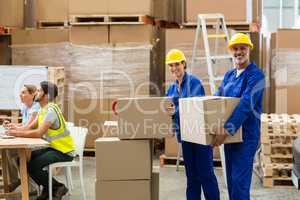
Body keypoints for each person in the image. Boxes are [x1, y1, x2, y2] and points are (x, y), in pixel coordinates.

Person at [213, 33, 265, 200]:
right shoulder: (229, 75)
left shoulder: (256, 76)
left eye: (243, 48)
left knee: (239, 182)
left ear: (249, 50)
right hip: (230, 137)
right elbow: (217, 99)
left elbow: (246, 104)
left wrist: (226, 129)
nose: (239, 52)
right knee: (231, 181)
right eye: (235, 49)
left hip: (246, 136)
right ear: (231, 52)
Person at [165, 49, 220, 200]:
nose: (174, 68)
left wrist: (176, 111)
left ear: (183, 64)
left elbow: (196, 108)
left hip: (200, 137)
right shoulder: (171, 89)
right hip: (185, 137)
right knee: (192, 177)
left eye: (177, 64)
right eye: (171, 65)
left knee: (206, 175)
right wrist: (168, 112)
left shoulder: (194, 82)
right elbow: (166, 109)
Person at [7, 81, 75, 200]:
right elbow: (29, 127)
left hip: (64, 151)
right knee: (21, 160)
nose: (36, 93)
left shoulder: (51, 111)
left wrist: (16, 133)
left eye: (39, 91)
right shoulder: (42, 110)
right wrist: (14, 129)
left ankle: (57, 187)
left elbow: (38, 133)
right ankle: (48, 188)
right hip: (53, 148)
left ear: (47, 95)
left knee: (32, 166)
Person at [3, 85, 40, 192]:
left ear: (32, 94)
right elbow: (23, 124)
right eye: (21, 92)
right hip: (27, 139)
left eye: (24, 92)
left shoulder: (36, 108)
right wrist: (12, 125)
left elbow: (29, 126)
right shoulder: (25, 107)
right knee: (7, 150)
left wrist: (15, 129)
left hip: (35, 142)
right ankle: (16, 180)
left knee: (12, 151)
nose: (20, 95)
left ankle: (29, 186)